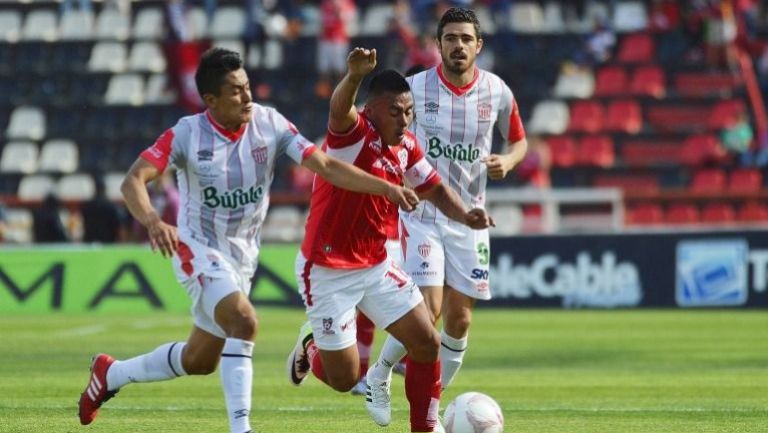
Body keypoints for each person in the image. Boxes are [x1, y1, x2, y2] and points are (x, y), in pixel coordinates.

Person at [77, 47, 420, 433]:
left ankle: (111, 374)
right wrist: (154, 221)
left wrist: (386, 189)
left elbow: (323, 164)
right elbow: (133, 181)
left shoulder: (269, 124)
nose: (247, 96)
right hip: (198, 248)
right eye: (236, 90)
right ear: (211, 100)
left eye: (247, 86)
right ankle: (242, 429)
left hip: (242, 258)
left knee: (199, 360)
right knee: (244, 322)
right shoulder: (187, 134)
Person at [284, 48, 493, 433]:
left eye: (409, 111)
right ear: (372, 109)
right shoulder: (351, 135)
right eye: (395, 111)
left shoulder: (407, 146)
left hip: (377, 266)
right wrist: (353, 77)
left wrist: (466, 215)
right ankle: (310, 345)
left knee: (427, 342)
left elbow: (434, 188)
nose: (404, 119)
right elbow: (338, 108)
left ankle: (424, 429)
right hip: (328, 270)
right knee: (345, 377)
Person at [368, 6, 528, 407]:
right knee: (429, 310)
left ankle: (433, 401)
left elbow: (519, 140)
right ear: (437, 44)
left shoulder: (497, 91)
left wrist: (506, 162)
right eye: (451, 38)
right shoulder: (414, 90)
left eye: (466, 38)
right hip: (422, 214)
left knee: (460, 320)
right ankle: (380, 374)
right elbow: (379, 134)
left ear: (479, 45)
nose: (459, 45)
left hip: (469, 217)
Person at [80, 175, 125, 243]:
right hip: (108, 243)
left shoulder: (86, 206)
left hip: (89, 242)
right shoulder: (111, 207)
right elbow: (118, 228)